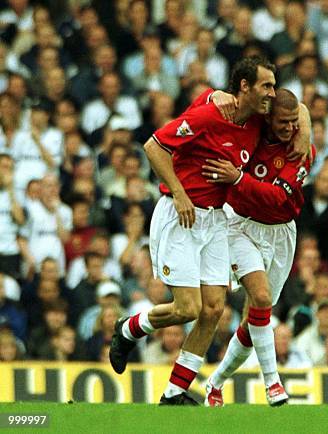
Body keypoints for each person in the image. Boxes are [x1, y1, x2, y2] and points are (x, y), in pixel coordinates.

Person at [109, 57, 278, 405]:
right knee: (187, 308)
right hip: (180, 215)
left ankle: (175, 392)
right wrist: (180, 193)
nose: (271, 94)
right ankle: (129, 328)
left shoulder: (257, 122)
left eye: (274, 86)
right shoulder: (207, 115)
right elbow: (154, 147)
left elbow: (299, 112)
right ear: (244, 86)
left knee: (213, 309)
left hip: (215, 219)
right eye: (266, 86)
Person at [201, 89, 315, 406]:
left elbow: (277, 197)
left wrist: (237, 179)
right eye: (284, 122)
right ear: (268, 117)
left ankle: (215, 382)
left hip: (281, 233)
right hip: (240, 225)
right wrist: (215, 95)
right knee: (262, 299)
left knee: (255, 324)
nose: (290, 128)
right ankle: (273, 384)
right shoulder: (251, 131)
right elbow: (228, 104)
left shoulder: (302, 150)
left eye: (295, 122)